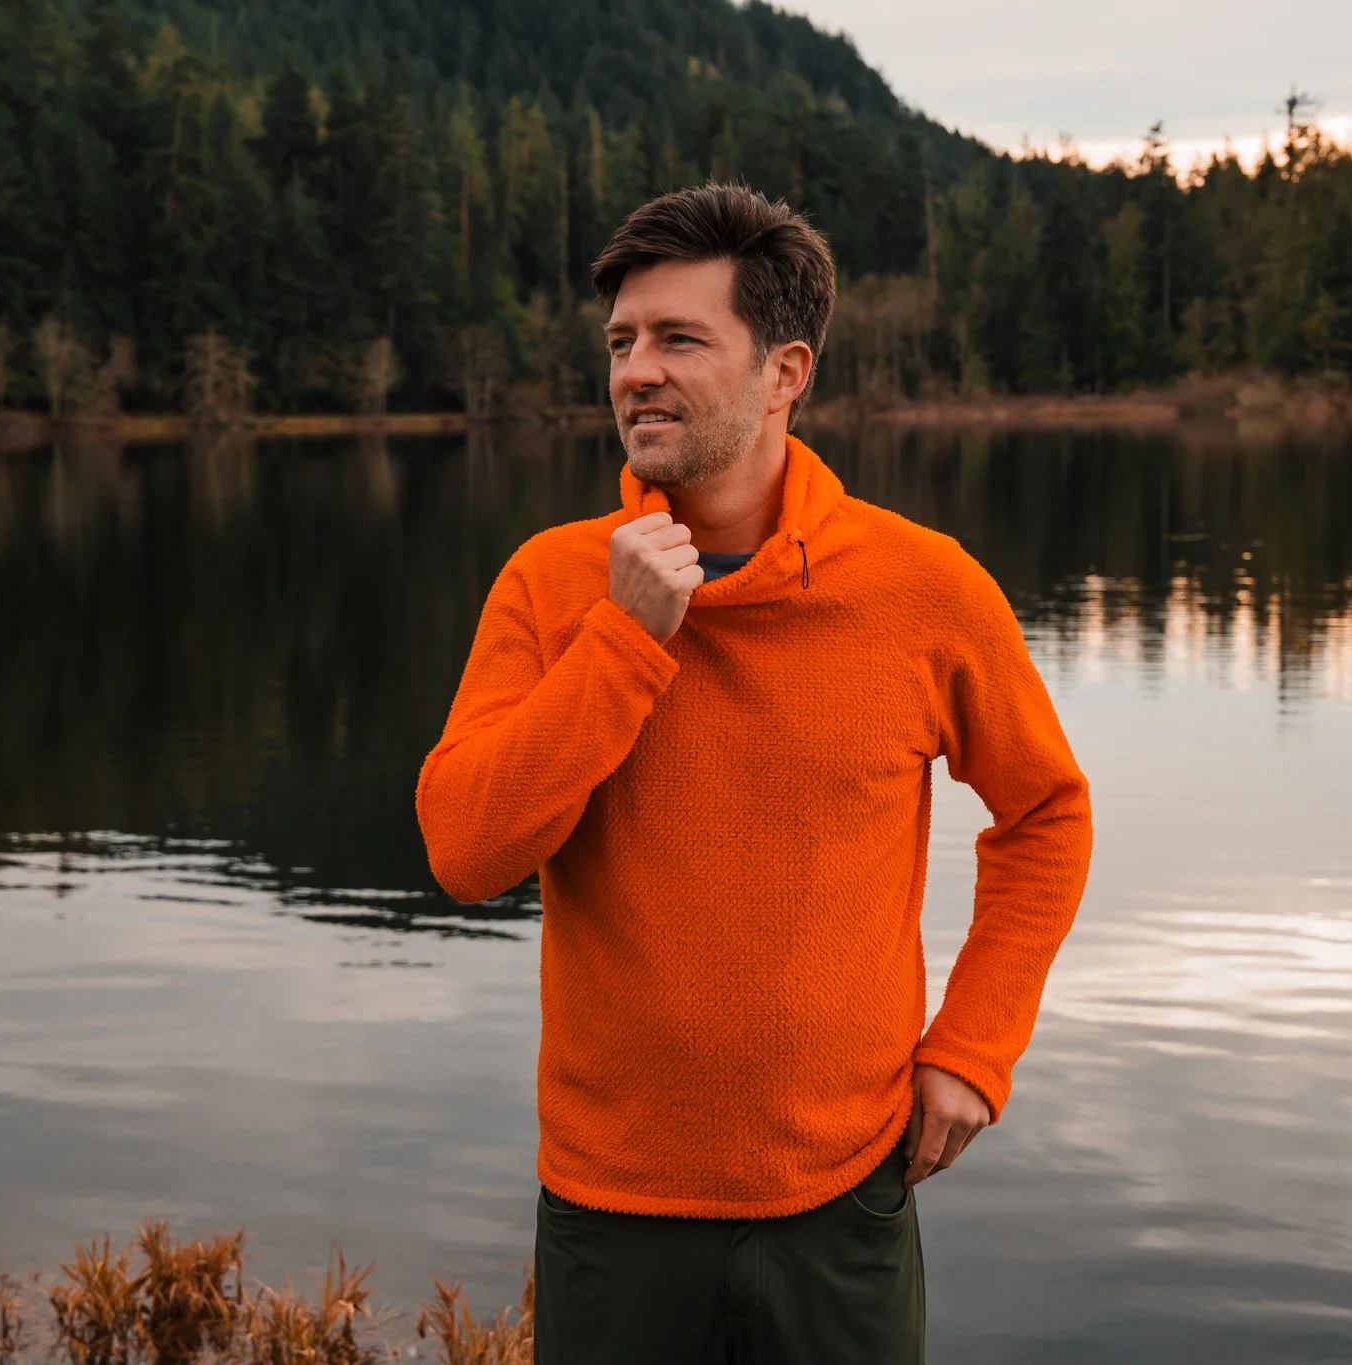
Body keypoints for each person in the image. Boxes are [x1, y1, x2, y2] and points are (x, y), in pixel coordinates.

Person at [415, 183, 1092, 1363]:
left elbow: (1045, 813)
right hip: (610, 1210)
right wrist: (623, 641)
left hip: (843, 1198)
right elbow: (467, 854)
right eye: (621, 342)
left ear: (785, 372)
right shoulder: (549, 583)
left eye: (679, 339)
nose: (635, 371)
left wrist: (973, 1050)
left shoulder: (924, 590)